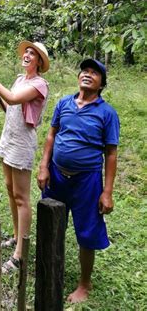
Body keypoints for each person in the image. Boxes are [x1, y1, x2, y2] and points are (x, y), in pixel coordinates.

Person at [37, 58, 120, 304]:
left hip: (88, 180)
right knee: (51, 224)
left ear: (101, 84)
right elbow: (51, 135)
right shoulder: (64, 103)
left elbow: (111, 153)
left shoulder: (107, 113)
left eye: (94, 73)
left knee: (87, 231)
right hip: (57, 175)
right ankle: (49, 268)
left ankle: (85, 283)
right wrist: (43, 167)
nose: (87, 74)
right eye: (84, 71)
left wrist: (107, 192)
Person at [0, 40, 50, 273]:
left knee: (22, 197)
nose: (27, 55)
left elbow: (12, 98)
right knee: (10, 189)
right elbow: (10, 107)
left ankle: (20, 253)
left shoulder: (40, 84)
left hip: (22, 143)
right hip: (8, 137)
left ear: (39, 62)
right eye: (26, 52)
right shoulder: (20, 80)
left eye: (33, 54)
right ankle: (16, 235)